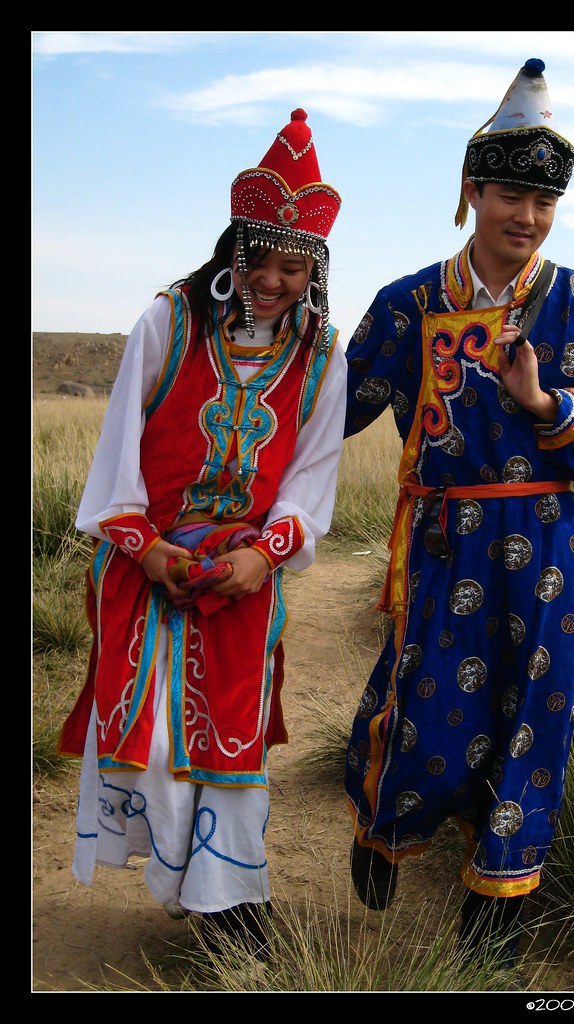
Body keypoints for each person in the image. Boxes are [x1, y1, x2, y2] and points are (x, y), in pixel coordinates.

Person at [342, 59, 574, 965]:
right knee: (429, 721)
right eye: (514, 193)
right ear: (473, 190)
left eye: (546, 201)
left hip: (549, 545)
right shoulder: (408, 303)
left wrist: (543, 404)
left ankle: (495, 916)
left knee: (537, 721)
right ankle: (384, 825)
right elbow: (332, 412)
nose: (528, 216)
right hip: (445, 540)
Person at [57, 108, 346, 958]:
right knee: (150, 739)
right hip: (147, 558)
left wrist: (267, 555)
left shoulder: (324, 354)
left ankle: (231, 907)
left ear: (315, 269)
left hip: (244, 576)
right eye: (262, 260)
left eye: (295, 268)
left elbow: (310, 478)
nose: (273, 281)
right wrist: (144, 547)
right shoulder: (167, 322)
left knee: (231, 736)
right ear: (234, 248)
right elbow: (116, 458)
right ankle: (196, 890)